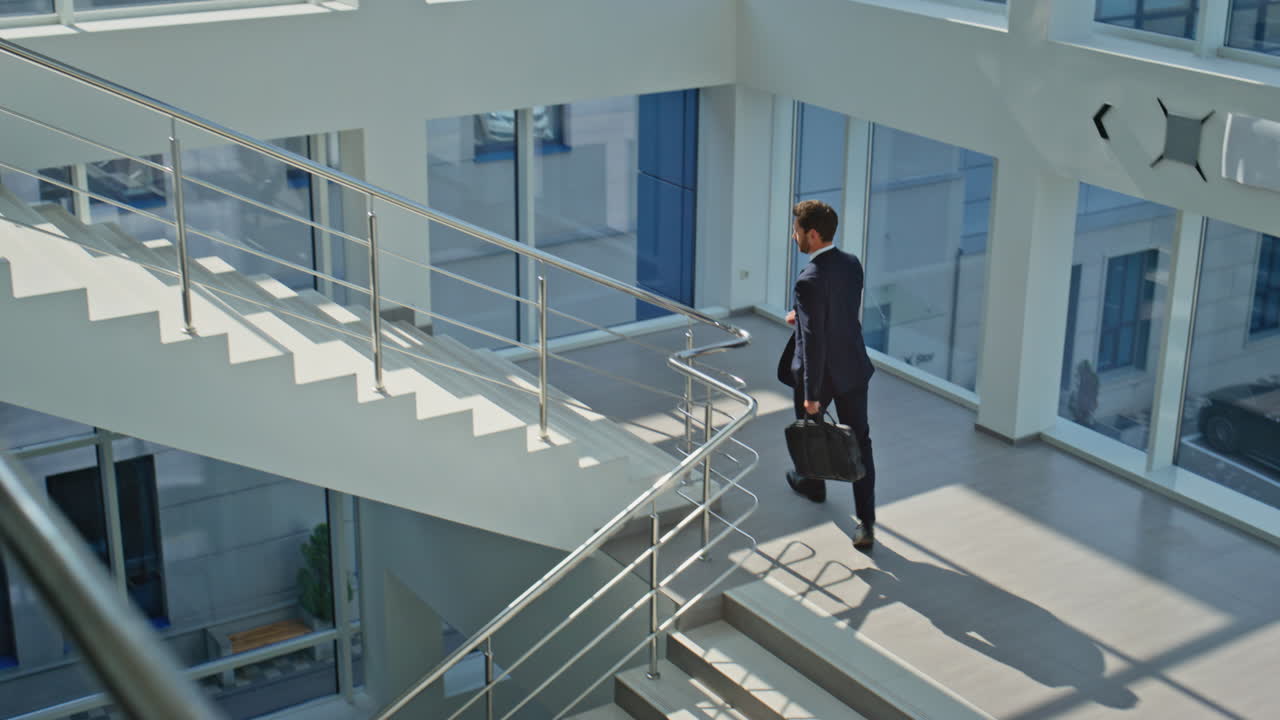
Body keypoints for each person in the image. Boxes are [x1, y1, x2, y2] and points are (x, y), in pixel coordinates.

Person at [776, 200, 878, 549]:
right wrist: (800, 318)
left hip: (820, 375)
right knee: (861, 443)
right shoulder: (851, 265)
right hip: (853, 368)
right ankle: (866, 524)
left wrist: (812, 393)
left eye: (798, 231)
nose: (795, 236)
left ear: (813, 234)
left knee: (810, 432)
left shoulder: (808, 280)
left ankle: (814, 484)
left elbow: (816, 340)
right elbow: (842, 312)